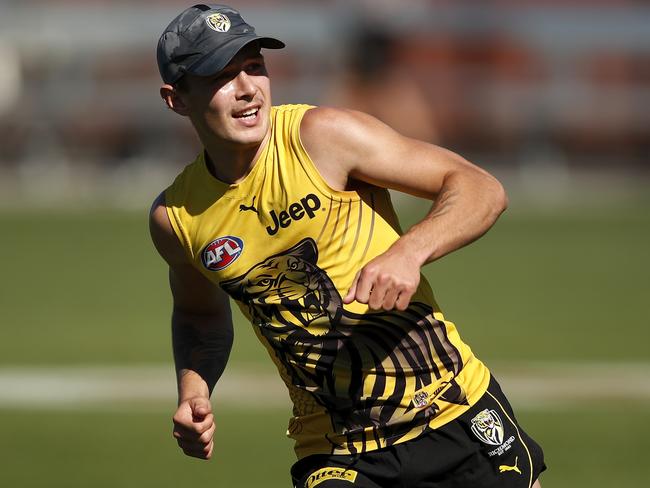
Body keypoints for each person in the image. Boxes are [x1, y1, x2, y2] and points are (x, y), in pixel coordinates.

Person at [150, 4, 546, 488]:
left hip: (454, 411)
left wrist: (408, 252)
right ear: (177, 99)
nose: (249, 88)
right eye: (222, 75)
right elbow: (199, 317)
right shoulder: (177, 218)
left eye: (255, 67)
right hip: (338, 451)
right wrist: (194, 388)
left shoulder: (323, 137)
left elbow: (480, 187)